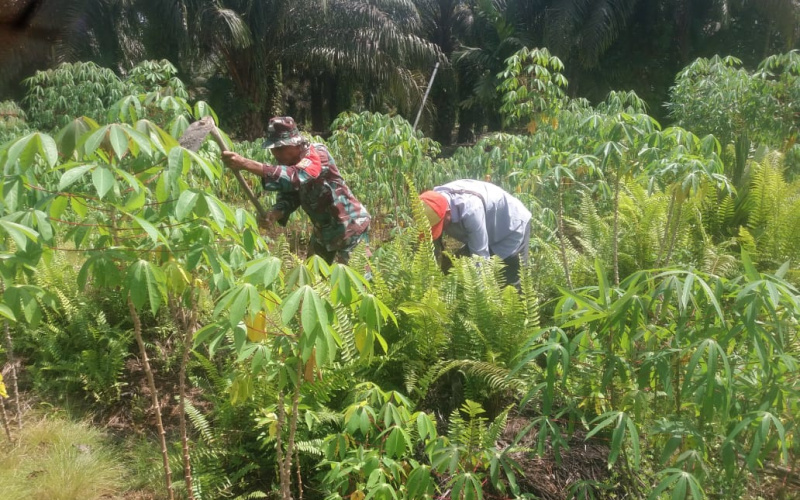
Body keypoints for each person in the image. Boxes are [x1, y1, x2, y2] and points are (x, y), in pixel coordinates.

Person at [221, 116, 370, 264]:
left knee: (357, 281)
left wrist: (245, 163)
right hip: (324, 230)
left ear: (296, 143)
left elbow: (297, 176)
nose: (277, 154)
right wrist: (274, 214)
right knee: (313, 278)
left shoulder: (317, 154)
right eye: (273, 149)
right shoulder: (287, 161)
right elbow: (290, 196)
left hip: (350, 226)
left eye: (281, 148)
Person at [419, 179, 531, 287]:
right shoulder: (429, 203)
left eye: (440, 225)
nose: (441, 229)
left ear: (447, 213)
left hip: (511, 228)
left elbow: (480, 259)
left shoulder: (471, 210)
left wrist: (480, 297)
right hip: (485, 229)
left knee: (510, 287)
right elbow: (430, 249)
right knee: (453, 271)